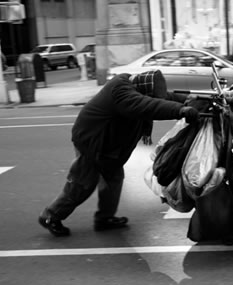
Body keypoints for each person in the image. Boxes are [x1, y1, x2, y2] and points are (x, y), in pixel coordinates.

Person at [38, 70, 200, 237]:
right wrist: (180, 110)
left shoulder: (137, 86)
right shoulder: (120, 91)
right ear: (142, 90)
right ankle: (51, 216)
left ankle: (105, 218)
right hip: (93, 144)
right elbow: (146, 104)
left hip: (109, 148)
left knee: (113, 179)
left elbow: (164, 97)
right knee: (82, 184)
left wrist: (189, 100)